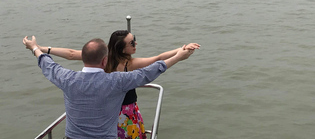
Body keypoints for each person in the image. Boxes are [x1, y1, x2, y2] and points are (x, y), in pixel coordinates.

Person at [35, 31, 200, 139]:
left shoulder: (72, 76)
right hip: (122, 116)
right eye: (132, 43)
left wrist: (38, 49)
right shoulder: (121, 77)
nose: (135, 44)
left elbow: (62, 59)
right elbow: (153, 66)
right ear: (121, 49)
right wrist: (179, 54)